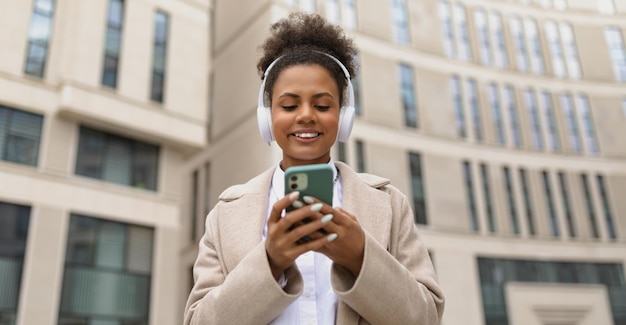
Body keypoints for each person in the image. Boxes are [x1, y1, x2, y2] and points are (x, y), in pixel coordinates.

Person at [184, 12, 444, 325]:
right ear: (267, 116)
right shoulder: (225, 215)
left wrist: (360, 257)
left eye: (322, 105)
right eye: (289, 105)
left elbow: (426, 318)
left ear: (343, 115)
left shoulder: (389, 203)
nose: (306, 116)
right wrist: (270, 262)